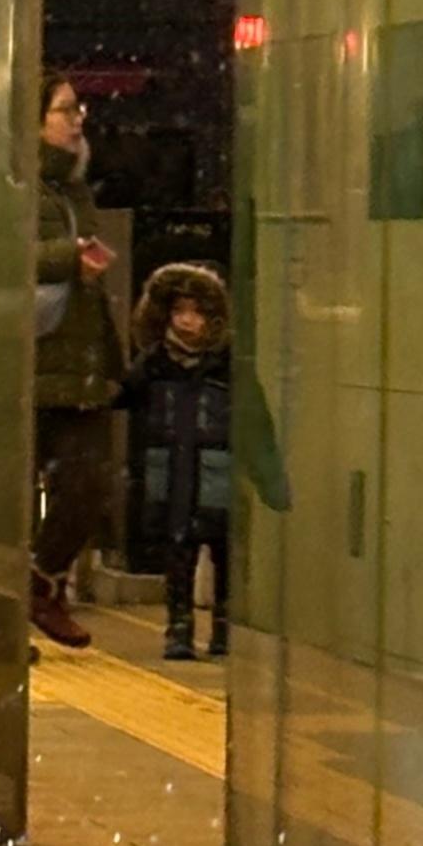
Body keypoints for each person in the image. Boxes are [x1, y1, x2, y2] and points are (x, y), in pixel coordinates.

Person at [123, 263, 288, 661]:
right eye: (179, 311)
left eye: (196, 312)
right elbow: (126, 408)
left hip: (217, 473)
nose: (186, 321)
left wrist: (272, 481)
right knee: (176, 552)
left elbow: (255, 426)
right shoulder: (152, 366)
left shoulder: (229, 368)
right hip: (172, 473)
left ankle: (223, 628)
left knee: (224, 551)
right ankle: (178, 627)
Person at [31, 75, 123, 648]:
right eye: (65, 109)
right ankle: (26, 596)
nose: (78, 119)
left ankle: (43, 582)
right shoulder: (17, 184)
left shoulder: (74, 189)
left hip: (78, 360)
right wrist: (70, 257)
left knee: (91, 482)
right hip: (28, 358)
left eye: (78, 109)